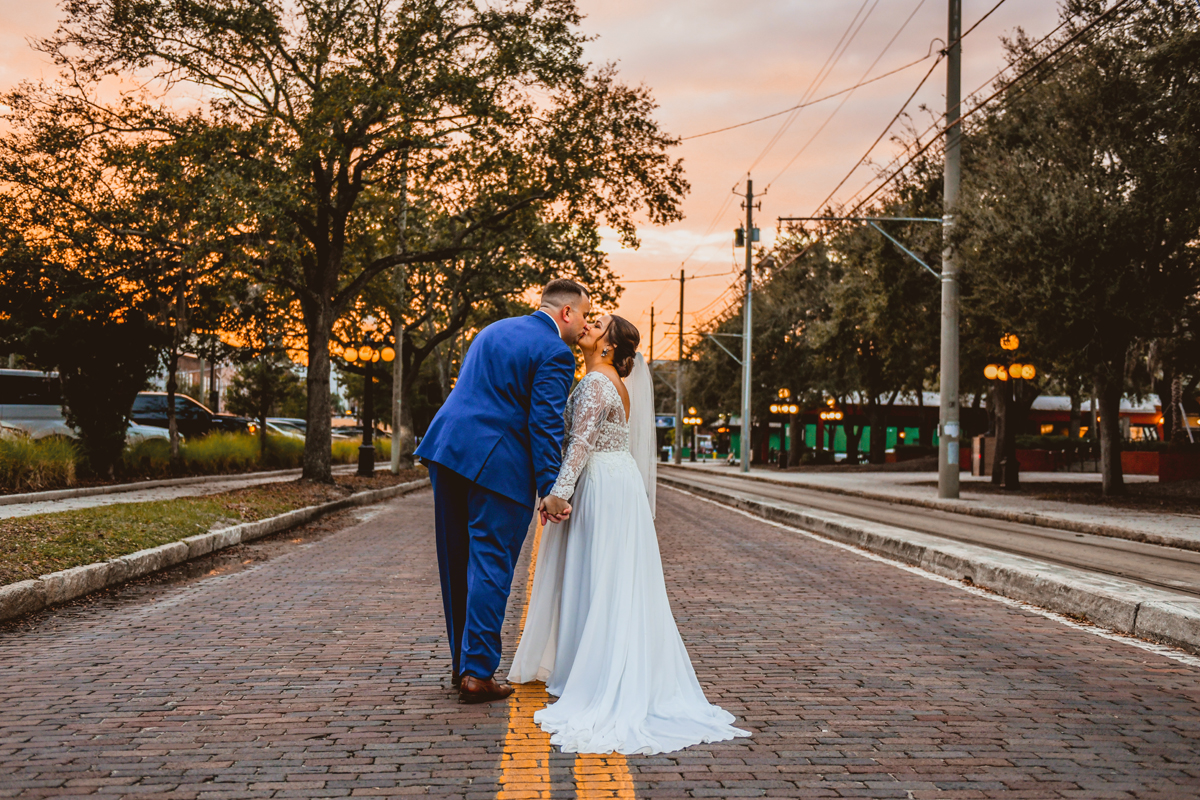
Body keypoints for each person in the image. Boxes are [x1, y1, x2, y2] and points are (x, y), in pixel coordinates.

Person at [509, 314, 751, 755]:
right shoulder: (612, 383)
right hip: (621, 485)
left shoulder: (595, 383)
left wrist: (558, 495)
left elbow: (580, 443)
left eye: (597, 324)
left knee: (599, 577)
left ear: (608, 345)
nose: (587, 326)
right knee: (613, 581)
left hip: (601, 484)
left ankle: (598, 675)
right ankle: (600, 665)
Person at [415, 278, 591, 704]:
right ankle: (477, 674)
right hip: (499, 465)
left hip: (449, 450)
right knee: (491, 564)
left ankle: (464, 664)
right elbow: (544, 423)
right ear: (566, 312)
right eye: (585, 314)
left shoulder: (493, 329)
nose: (585, 324)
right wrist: (551, 487)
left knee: (456, 562)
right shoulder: (555, 352)